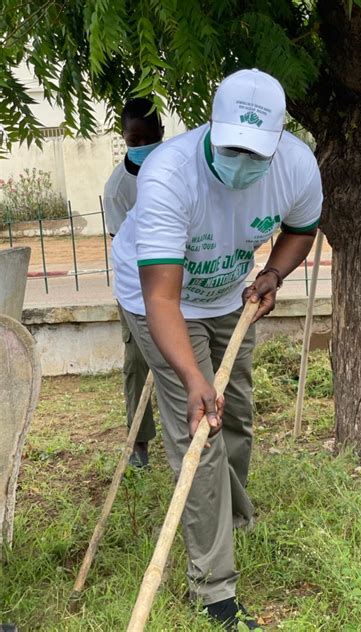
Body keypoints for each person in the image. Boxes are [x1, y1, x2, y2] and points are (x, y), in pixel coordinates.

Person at [112, 68, 323, 629]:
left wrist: (274, 273)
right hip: (157, 298)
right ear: (212, 125)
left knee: (238, 416)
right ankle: (215, 590)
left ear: (279, 140)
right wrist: (192, 378)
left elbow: (302, 228)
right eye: (231, 146)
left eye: (257, 151)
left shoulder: (298, 167)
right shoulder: (168, 175)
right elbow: (161, 298)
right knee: (200, 430)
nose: (243, 161)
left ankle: (231, 516)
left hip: (233, 293)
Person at [103, 98, 165, 467]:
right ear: (124, 138)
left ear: (161, 132)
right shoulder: (117, 189)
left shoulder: (177, 167)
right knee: (137, 362)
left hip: (183, 277)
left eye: (147, 137)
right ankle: (138, 442)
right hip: (135, 282)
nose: (140, 146)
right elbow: (121, 247)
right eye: (133, 140)